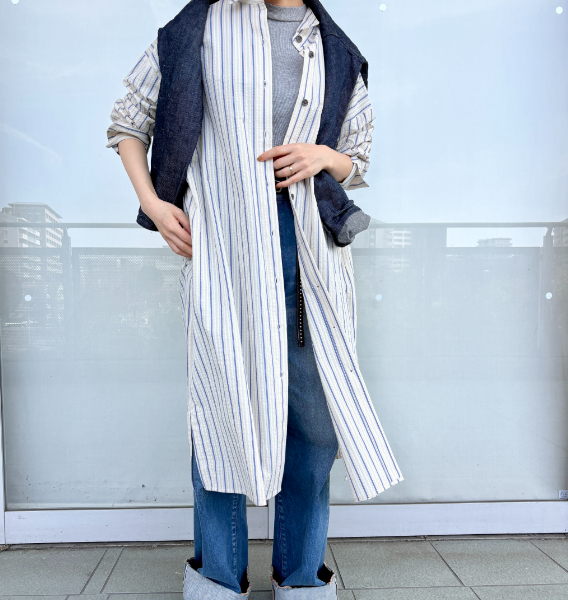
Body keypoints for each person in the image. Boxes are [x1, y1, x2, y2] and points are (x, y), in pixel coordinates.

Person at [106, 0, 403, 598]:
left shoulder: (334, 47)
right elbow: (128, 121)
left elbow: (357, 156)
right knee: (220, 415)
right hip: (225, 247)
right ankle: (218, 577)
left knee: (313, 426)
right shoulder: (199, 28)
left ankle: (302, 578)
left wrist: (325, 157)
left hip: (309, 253)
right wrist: (155, 204)